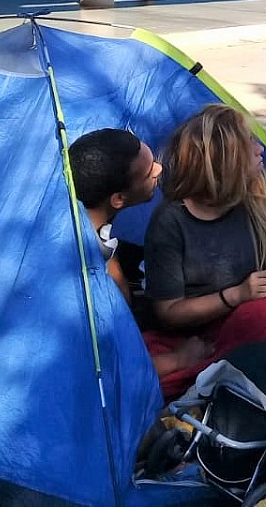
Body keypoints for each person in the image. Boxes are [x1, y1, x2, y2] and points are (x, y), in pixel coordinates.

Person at [143, 104, 266, 398]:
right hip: (187, 334)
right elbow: (168, 313)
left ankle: (205, 380)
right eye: (249, 144)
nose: (259, 149)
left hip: (243, 325)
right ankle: (211, 378)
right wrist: (235, 295)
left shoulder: (260, 202)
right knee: (129, 368)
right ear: (224, 163)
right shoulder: (171, 221)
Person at [68, 128, 211, 380]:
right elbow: (99, 374)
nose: (159, 170)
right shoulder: (77, 274)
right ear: (119, 199)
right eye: (149, 172)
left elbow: (116, 275)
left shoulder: (94, 226)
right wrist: (178, 359)